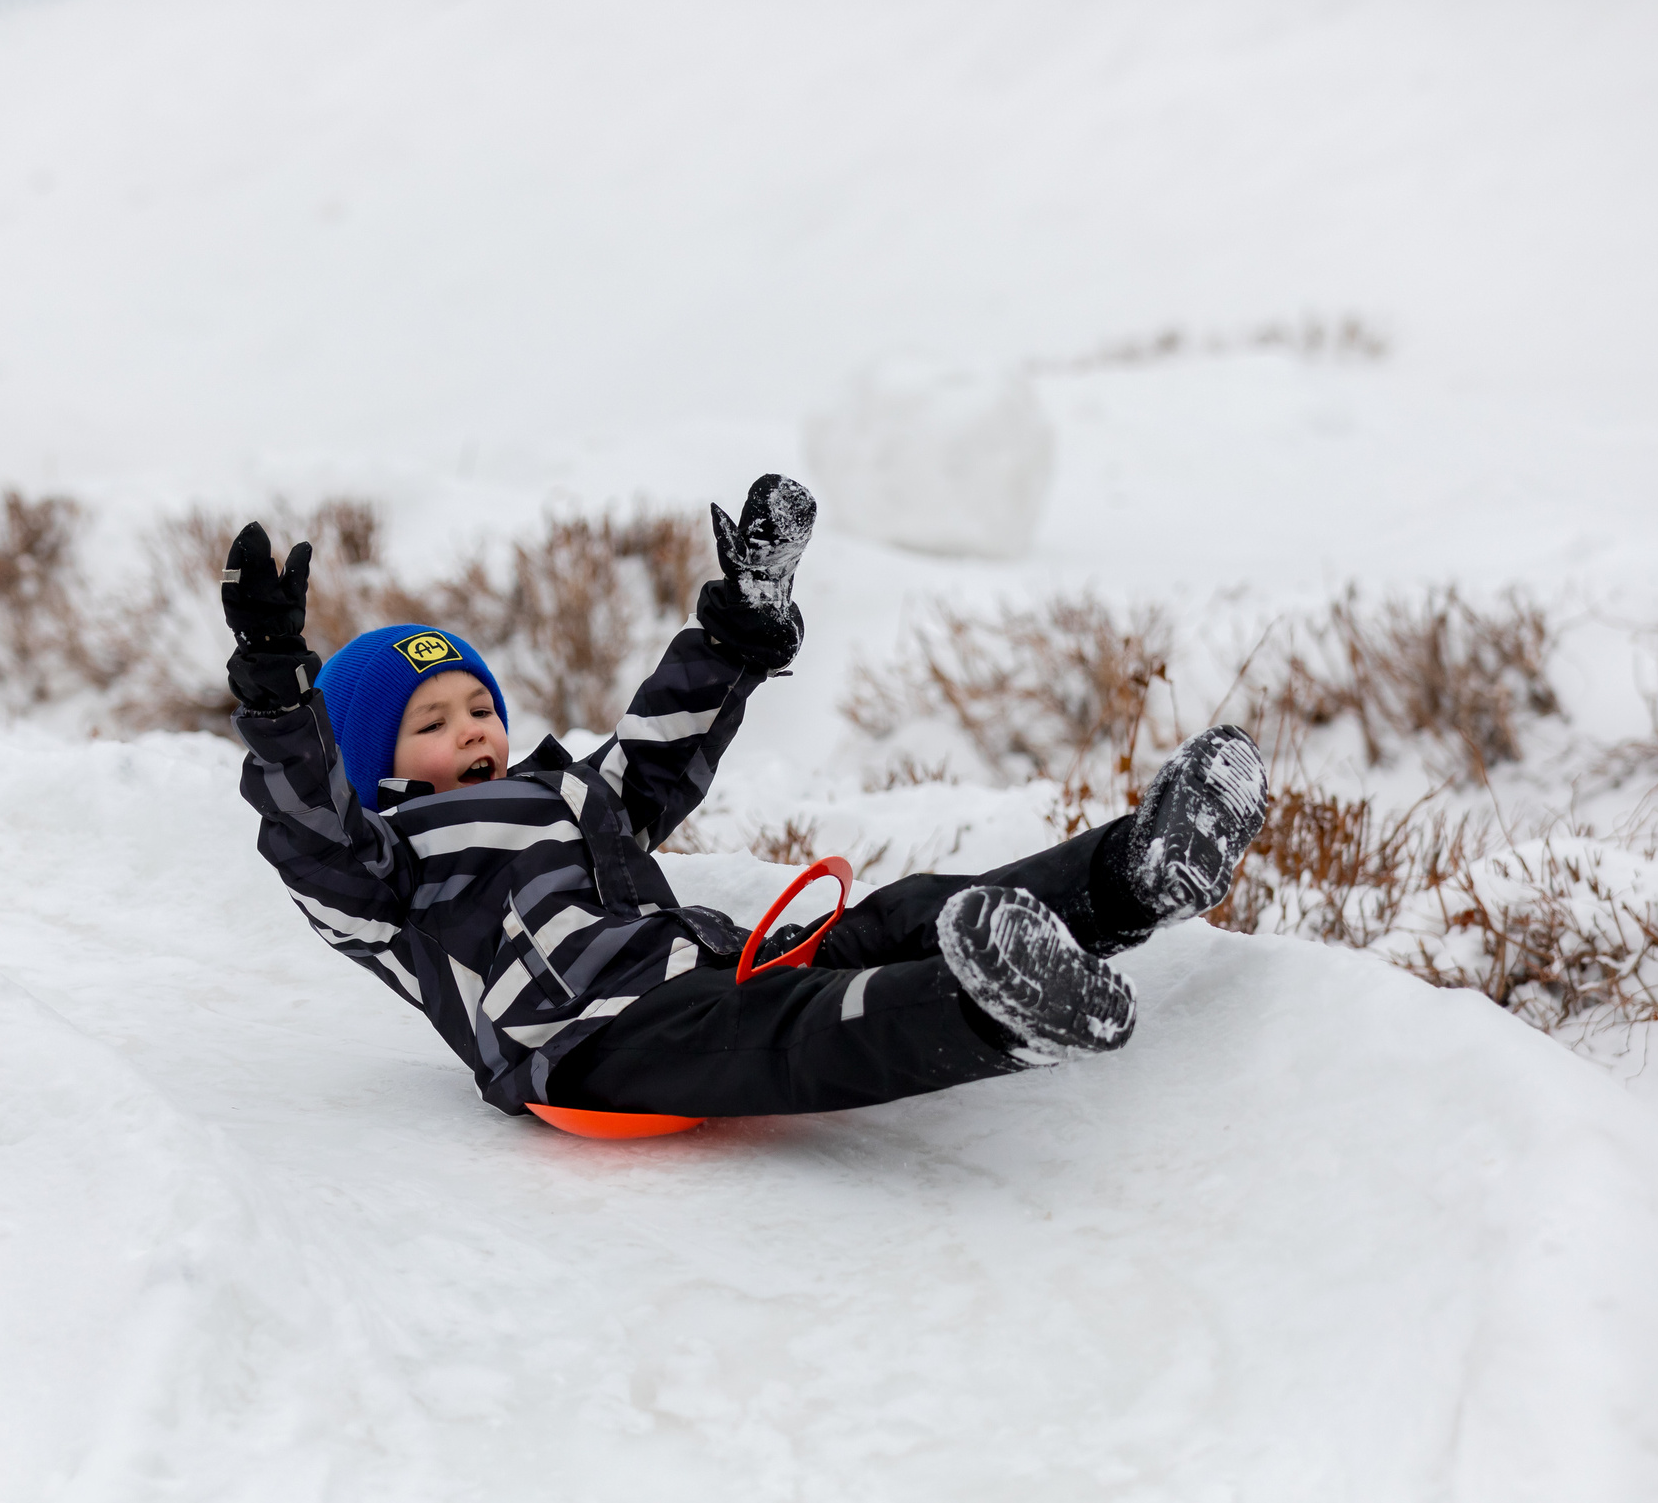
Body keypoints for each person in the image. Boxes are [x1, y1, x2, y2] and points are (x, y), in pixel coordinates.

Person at [224, 475, 1268, 1120]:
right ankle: (992, 1014)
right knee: (795, 1029)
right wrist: (281, 697)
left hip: (709, 957)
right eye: (433, 721)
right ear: (377, 765)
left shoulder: (569, 798)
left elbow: (660, 751)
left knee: (896, 917)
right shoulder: (386, 874)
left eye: (476, 705)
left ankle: (1135, 873)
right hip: (587, 1040)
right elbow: (308, 829)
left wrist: (733, 633)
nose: (472, 730)